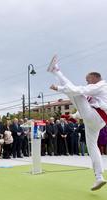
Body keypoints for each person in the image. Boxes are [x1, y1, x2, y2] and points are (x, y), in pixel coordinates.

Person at [48, 55, 107, 190]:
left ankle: (55, 70)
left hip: (96, 117)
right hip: (98, 121)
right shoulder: (96, 92)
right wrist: (73, 116)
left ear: (95, 78)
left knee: (76, 93)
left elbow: (80, 91)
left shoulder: (101, 85)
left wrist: (59, 88)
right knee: (92, 147)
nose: (87, 82)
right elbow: (86, 107)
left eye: (88, 80)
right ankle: (99, 177)